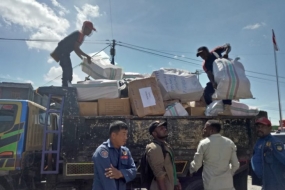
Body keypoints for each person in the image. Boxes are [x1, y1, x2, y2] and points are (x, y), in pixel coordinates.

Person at [190, 120, 240, 190]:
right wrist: (228, 174)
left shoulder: (204, 143)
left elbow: (197, 165)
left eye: (205, 128)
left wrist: (190, 169)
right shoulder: (229, 142)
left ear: (211, 130)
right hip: (227, 185)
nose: (203, 130)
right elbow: (236, 165)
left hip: (211, 185)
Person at [92, 121, 136, 190]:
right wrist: (124, 173)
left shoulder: (125, 151)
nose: (126, 137)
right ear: (113, 135)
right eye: (123, 134)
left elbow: (133, 171)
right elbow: (108, 180)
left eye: (126, 134)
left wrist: (120, 173)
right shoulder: (102, 151)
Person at [50, 21, 96, 87]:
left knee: (68, 70)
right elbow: (76, 48)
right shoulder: (79, 34)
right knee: (68, 70)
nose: (90, 32)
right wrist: (87, 56)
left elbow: (75, 49)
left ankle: (66, 86)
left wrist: (82, 58)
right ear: (85, 28)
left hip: (64, 53)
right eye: (90, 30)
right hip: (62, 52)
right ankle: (65, 87)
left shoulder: (81, 35)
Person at [196, 44, 232, 115]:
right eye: (200, 56)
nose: (202, 57)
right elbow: (209, 74)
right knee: (207, 92)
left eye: (203, 54)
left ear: (207, 51)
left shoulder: (216, 52)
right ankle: (211, 108)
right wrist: (213, 83)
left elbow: (228, 46)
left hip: (225, 75)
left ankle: (227, 109)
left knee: (224, 88)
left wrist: (226, 53)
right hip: (216, 78)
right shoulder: (205, 64)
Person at [251, 117, 285, 190]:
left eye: (263, 127)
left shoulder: (274, 143)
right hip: (265, 181)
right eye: (258, 127)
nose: (259, 129)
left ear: (270, 128)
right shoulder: (259, 141)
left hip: (275, 182)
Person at [146, 121, 181, 190]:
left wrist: (175, 182)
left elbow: (171, 166)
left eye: (164, 127)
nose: (165, 129)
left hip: (169, 185)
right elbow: (159, 175)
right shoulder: (154, 148)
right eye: (161, 128)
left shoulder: (164, 145)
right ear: (154, 133)